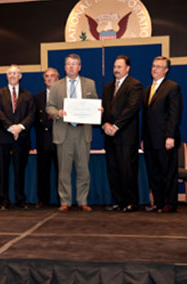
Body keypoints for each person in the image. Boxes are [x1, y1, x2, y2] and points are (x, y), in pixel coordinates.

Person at [46, 54, 98, 212]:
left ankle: (82, 201)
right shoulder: (56, 86)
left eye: (74, 64)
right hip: (64, 131)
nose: (71, 67)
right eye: (68, 64)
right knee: (64, 170)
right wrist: (57, 113)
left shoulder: (90, 84)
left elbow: (95, 103)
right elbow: (50, 107)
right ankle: (65, 201)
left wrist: (98, 109)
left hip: (83, 132)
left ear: (79, 66)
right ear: (64, 67)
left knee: (83, 169)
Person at [102, 55, 143, 212]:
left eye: (119, 67)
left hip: (125, 136)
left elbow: (131, 108)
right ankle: (119, 201)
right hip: (109, 136)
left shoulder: (135, 85)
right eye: (114, 67)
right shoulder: (107, 87)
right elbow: (104, 109)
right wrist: (105, 124)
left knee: (127, 170)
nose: (116, 70)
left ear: (127, 68)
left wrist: (116, 126)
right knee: (113, 171)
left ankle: (131, 202)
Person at [141, 56, 182, 213]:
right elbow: (146, 117)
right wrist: (143, 138)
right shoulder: (148, 89)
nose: (155, 69)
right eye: (153, 66)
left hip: (166, 139)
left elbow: (174, 114)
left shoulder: (172, 87)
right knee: (154, 173)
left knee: (168, 173)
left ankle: (170, 204)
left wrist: (170, 136)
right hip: (150, 140)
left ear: (166, 70)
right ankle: (158, 203)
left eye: (159, 66)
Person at [0, 64, 35, 210]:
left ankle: (20, 199)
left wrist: (20, 127)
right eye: (10, 73)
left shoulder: (28, 95)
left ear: (20, 76)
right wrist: (12, 128)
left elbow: (31, 115)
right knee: (3, 170)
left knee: (19, 170)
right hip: (3, 137)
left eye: (15, 73)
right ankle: (4, 200)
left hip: (22, 138)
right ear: (6, 76)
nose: (12, 76)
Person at [34, 68, 59, 208]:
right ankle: (43, 199)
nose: (49, 79)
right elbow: (34, 119)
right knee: (42, 172)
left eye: (52, 76)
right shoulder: (37, 97)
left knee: (61, 173)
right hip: (43, 140)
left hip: (60, 140)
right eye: (47, 76)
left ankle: (63, 200)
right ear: (44, 80)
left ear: (58, 79)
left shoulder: (64, 96)